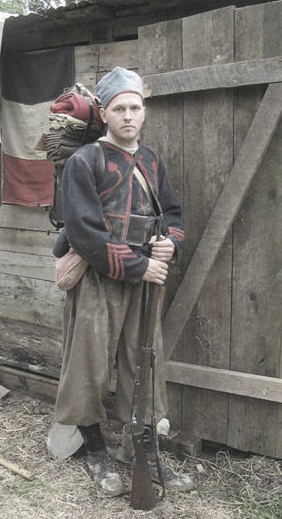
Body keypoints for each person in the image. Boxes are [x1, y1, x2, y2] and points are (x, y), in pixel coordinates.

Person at [53, 67, 193, 497]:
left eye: (135, 107)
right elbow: (83, 231)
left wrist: (169, 242)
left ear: (144, 111)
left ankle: (143, 451)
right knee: (89, 366)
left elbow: (172, 213)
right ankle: (96, 452)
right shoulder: (85, 161)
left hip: (146, 281)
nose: (128, 115)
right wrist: (138, 266)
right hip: (99, 281)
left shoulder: (151, 161)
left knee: (143, 365)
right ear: (105, 113)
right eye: (119, 108)